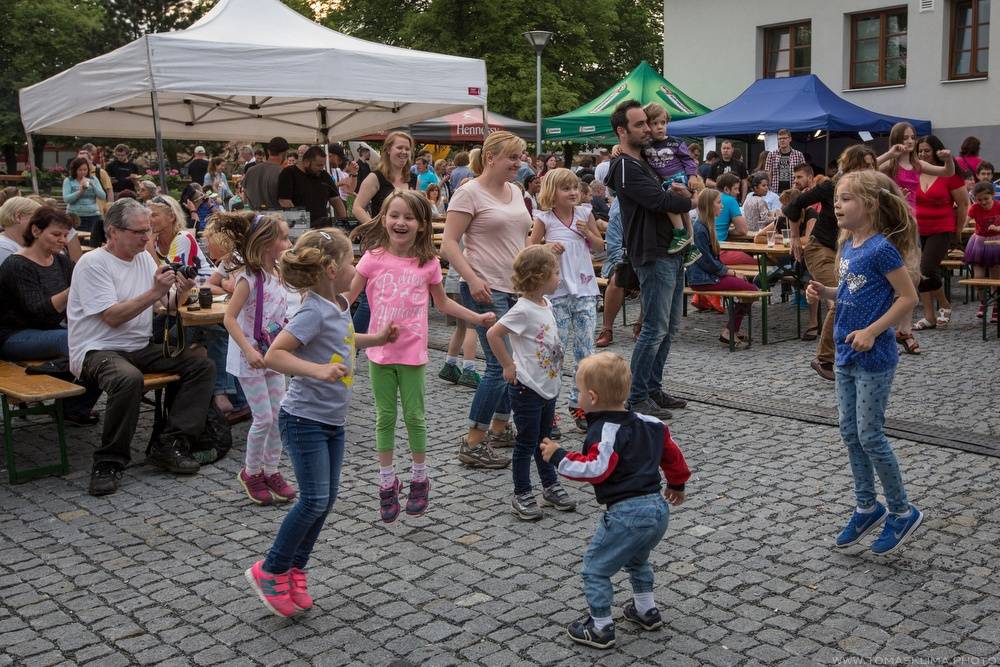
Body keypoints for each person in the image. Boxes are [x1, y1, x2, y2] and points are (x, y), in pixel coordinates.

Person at [244, 228, 397, 617]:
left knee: (324, 501)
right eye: (350, 261)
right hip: (304, 419)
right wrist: (317, 371)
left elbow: (343, 339)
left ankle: (296, 570)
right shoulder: (311, 309)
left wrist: (377, 337)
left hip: (332, 420)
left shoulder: (337, 306)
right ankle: (271, 568)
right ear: (331, 268)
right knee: (312, 500)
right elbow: (276, 356)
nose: (355, 267)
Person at [350, 191, 493, 522]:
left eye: (409, 217)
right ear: (383, 218)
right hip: (378, 351)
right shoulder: (371, 258)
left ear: (422, 224)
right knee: (384, 417)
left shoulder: (427, 263)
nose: (400, 222)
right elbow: (348, 297)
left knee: (414, 417)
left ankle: (419, 477)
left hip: (412, 352)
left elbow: (442, 304)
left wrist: (476, 318)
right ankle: (387, 481)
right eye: (394, 215)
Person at [804, 170, 924, 555]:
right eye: (836, 199)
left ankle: (902, 511)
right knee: (850, 433)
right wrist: (826, 291)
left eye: (846, 199)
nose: (836, 206)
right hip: (844, 353)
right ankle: (866, 507)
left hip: (875, 357)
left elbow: (907, 298)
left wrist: (873, 331)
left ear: (870, 204)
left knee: (870, 435)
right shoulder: (849, 246)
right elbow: (853, 290)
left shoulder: (881, 248)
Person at [538, 351, 689, 650]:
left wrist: (559, 457)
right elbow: (672, 453)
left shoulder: (607, 431)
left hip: (627, 514)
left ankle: (601, 626)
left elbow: (596, 468)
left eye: (578, 391)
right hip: (657, 510)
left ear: (592, 397)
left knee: (595, 568)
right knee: (637, 559)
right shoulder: (651, 422)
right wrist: (677, 483)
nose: (577, 395)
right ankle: (646, 610)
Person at [67, 199, 215, 496]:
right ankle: (110, 460)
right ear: (113, 232)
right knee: (127, 378)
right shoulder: (92, 263)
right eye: (138, 232)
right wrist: (156, 291)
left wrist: (182, 290)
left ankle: (171, 442)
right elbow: (112, 317)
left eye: (148, 230)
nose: (147, 237)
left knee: (201, 363)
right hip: (97, 348)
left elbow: (167, 306)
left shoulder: (145, 259)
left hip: (137, 346)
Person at [442, 131, 533, 469]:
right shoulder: (468, 193)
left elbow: (521, 239)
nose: (518, 163)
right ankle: (472, 441)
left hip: (516, 288)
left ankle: (498, 427)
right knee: (500, 366)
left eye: (520, 157)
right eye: (512, 157)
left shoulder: (517, 191)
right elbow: (449, 243)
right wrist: (472, 278)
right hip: (484, 288)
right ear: (491, 157)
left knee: (517, 364)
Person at [605, 99, 691, 419]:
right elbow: (659, 200)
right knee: (654, 328)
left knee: (668, 327)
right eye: (639, 125)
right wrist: (687, 199)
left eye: (646, 123)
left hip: (670, 251)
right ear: (621, 131)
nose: (646, 129)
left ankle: (652, 388)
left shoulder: (643, 160)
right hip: (652, 254)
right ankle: (637, 396)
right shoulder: (625, 167)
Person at [487, 245, 575, 521]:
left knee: (544, 439)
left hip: (547, 385)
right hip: (527, 387)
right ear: (539, 277)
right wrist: (508, 365)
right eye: (556, 273)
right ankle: (522, 492)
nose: (559, 278)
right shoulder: (522, 309)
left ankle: (549, 486)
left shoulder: (545, 303)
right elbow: (493, 334)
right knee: (526, 442)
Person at [218, 212, 296, 505]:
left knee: (279, 416)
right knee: (263, 417)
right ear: (266, 243)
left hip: (273, 354)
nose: (289, 242)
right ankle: (251, 472)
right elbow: (229, 318)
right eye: (284, 237)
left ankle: (271, 470)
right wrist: (248, 350)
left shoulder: (277, 273)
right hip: (250, 356)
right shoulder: (247, 279)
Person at [0, 207, 101, 424]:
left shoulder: (61, 262)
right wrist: (73, 289)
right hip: (13, 335)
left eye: (65, 235)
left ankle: (73, 406)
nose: (62, 240)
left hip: (50, 331)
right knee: (76, 341)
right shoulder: (17, 264)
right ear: (36, 231)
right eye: (56, 234)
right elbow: (38, 312)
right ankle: (67, 399)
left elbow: (82, 296)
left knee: (101, 337)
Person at [529, 168, 603, 432]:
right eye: (565, 188)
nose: (572, 192)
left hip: (584, 291)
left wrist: (588, 234)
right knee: (555, 354)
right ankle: (549, 410)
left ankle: (579, 403)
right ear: (552, 192)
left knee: (586, 352)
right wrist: (546, 247)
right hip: (556, 293)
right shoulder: (545, 219)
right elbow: (529, 249)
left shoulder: (584, 214)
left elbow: (600, 247)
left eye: (574, 187)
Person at [352, 131, 416, 335]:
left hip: (404, 245)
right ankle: (350, 349)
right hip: (380, 244)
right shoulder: (376, 177)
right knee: (371, 297)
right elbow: (357, 207)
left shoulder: (411, 178)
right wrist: (378, 226)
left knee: (395, 295)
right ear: (388, 150)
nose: (404, 152)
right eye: (400, 147)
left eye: (407, 148)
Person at [688, 189, 760, 349]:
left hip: (707, 276)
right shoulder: (700, 228)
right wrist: (732, 272)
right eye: (719, 202)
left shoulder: (705, 225)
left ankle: (733, 329)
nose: (722, 206)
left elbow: (712, 261)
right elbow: (706, 262)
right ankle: (729, 331)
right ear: (709, 205)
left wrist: (730, 273)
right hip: (703, 279)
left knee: (750, 288)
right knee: (752, 289)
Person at [911, 136, 964, 330]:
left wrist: (958, 231)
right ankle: (929, 316)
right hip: (918, 229)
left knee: (926, 268)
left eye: (927, 150)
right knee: (919, 272)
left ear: (935, 151)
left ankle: (944, 304)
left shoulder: (947, 173)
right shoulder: (914, 172)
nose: (923, 154)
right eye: (920, 151)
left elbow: (963, 204)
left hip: (942, 228)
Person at [641, 103, 699, 262]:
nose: (660, 127)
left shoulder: (676, 142)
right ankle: (691, 247)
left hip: (678, 178)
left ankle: (679, 232)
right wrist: (617, 146)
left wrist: (692, 176)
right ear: (647, 125)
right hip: (664, 181)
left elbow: (689, 160)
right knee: (684, 213)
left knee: (669, 199)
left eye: (663, 123)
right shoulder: (645, 145)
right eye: (655, 123)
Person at [879, 122, 953, 210]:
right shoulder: (889, 164)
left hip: (913, 214)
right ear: (897, 139)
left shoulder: (918, 164)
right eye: (905, 138)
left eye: (913, 137)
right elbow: (863, 171)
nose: (910, 141)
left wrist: (948, 159)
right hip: (895, 213)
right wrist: (889, 154)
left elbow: (948, 172)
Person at [278, 146, 346, 225]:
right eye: (319, 165)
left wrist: (343, 223)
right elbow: (284, 201)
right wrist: (300, 226)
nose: (321, 168)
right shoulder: (288, 173)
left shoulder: (324, 176)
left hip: (322, 227)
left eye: (323, 165)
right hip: (299, 229)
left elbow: (336, 200)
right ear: (306, 162)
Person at [965, 181, 1000, 321]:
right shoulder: (974, 208)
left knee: (995, 277)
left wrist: (998, 228)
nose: (983, 202)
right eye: (979, 200)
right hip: (979, 242)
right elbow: (964, 221)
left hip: (995, 242)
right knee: (978, 278)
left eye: (986, 199)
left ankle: (996, 307)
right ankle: (983, 303)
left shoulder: (998, 206)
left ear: (993, 195)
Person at [63, 157, 107, 240]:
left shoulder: (94, 179)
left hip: (93, 215)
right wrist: (80, 191)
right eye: (80, 170)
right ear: (74, 170)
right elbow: (66, 199)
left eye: (85, 170)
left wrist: (93, 185)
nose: (83, 172)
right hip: (75, 216)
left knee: (93, 240)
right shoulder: (69, 181)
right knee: (76, 241)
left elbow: (103, 196)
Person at [244, 137, 289, 211]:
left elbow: (245, 192)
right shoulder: (284, 173)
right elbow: (285, 201)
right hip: (276, 219)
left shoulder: (250, 170)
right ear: (284, 153)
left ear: (268, 151)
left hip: (256, 218)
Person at [0, 196, 42, 265]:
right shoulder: (3, 247)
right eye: (36, 218)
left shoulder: (13, 244)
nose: (40, 223)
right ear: (18, 217)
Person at [763, 129, 805, 193]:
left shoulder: (798, 155)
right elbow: (768, 174)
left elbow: (803, 174)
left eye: (784, 138)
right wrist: (769, 190)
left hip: (793, 191)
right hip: (775, 191)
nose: (782, 140)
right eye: (780, 138)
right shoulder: (771, 154)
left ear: (790, 139)